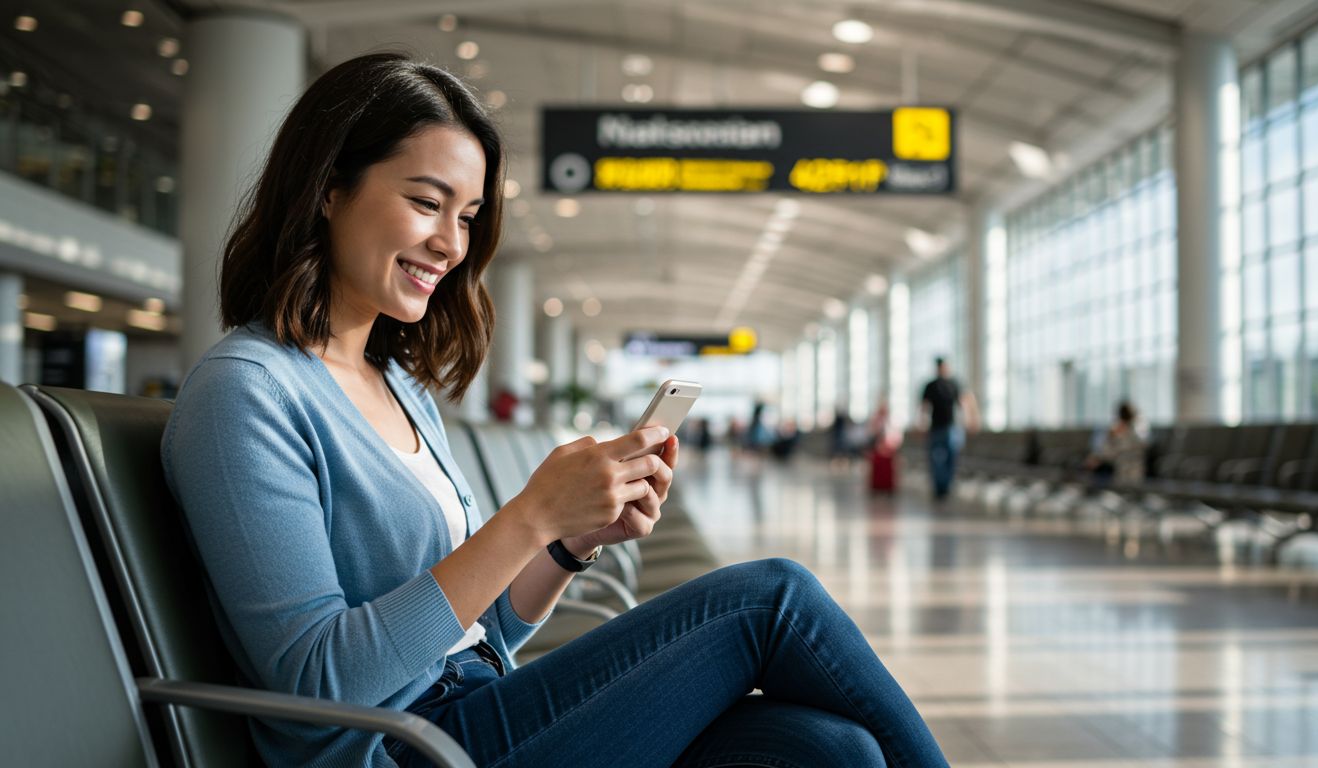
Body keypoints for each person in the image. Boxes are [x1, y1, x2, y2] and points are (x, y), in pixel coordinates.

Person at [161, 53, 947, 768]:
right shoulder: (248, 392)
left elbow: (486, 634)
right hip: (404, 752)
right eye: (427, 203)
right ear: (329, 187)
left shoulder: (397, 386)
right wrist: (528, 517)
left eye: (466, 217)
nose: (451, 244)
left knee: (829, 750)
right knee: (770, 599)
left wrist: (570, 544)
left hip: (470, 713)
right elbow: (317, 679)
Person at [919, 357, 979, 500]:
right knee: (936, 459)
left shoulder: (954, 384)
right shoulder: (931, 386)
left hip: (952, 428)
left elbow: (964, 402)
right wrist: (921, 424)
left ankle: (945, 486)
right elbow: (924, 406)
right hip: (936, 428)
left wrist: (970, 420)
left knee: (951, 458)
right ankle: (939, 487)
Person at [1085, 400, 1147, 486]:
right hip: (1136, 471)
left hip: (1122, 471)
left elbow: (1108, 453)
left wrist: (1097, 458)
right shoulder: (1140, 430)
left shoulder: (1119, 432)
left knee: (1094, 466)